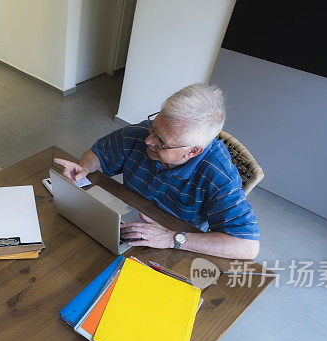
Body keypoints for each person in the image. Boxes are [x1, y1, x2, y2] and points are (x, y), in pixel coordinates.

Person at [55, 83, 260, 260]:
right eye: (154, 126)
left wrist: (171, 238)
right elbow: (99, 152)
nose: (148, 140)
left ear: (193, 151)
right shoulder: (144, 134)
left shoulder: (219, 175)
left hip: (174, 245)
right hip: (129, 222)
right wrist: (84, 168)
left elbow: (248, 246)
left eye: (161, 142)